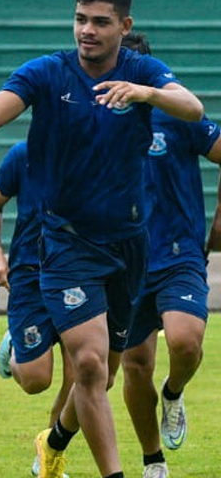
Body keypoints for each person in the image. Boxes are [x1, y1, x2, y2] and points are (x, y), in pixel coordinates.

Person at [0, 0, 204, 478]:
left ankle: (53, 441)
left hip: (129, 246)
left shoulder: (142, 70)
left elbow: (193, 108)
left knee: (105, 369)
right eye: (81, 19)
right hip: (66, 243)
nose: (87, 31)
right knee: (91, 368)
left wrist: (145, 93)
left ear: (124, 25)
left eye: (100, 22)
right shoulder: (47, 73)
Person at [117, 32, 219, 478]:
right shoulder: (96, 120)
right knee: (134, 367)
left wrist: (219, 220)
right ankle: (152, 460)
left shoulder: (177, 117)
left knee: (184, 341)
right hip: (124, 262)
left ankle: (174, 391)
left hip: (178, 254)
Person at [0, 141, 76, 477]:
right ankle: (14, 347)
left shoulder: (95, 152)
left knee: (81, 373)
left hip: (78, 275)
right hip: (29, 276)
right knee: (37, 381)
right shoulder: (22, 155)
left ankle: (49, 456)